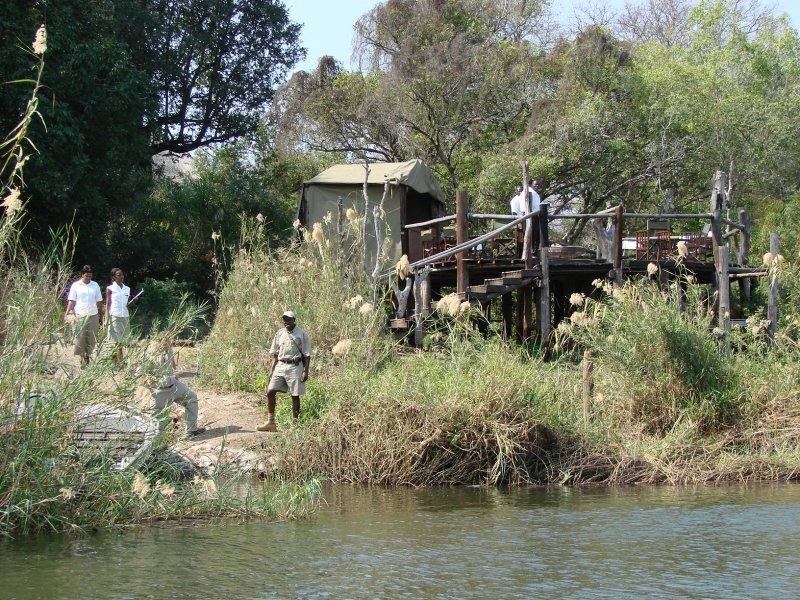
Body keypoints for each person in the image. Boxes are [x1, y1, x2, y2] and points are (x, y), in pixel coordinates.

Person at [257, 310, 312, 432]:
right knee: (270, 391)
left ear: (294, 320)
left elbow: (307, 355)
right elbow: (276, 354)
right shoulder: (280, 333)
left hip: (295, 366)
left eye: (289, 319)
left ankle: (295, 425)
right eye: (285, 319)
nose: (286, 321)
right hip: (280, 365)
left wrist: (305, 371)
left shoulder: (302, 334)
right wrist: (272, 370)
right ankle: (271, 422)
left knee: (295, 395)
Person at [150, 338, 206, 436]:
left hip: (174, 386)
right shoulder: (149, 356)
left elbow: (172, 363)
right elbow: (140, 376)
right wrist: (151, 390)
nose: (170, 344)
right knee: (160, 421)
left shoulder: (168, 349)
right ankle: (160, 441)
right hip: (159, 391)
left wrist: (175, 372)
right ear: (159, 343)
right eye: (168, 343)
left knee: (191, 397)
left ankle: (191, 429)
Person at [64, 265, 104, 365]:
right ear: (82, 275)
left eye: (90, 276)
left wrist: (100, 315)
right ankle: (82, 358)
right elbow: (72, 300)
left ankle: (88, 356)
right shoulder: (76, 285)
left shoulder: (95, 285)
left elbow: (99, 301)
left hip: (93, 314)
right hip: (80, 315)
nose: (88, 278)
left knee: (91, 337)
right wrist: (67, 312)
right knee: (80, 337)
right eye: (86, 276)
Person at [106, 268, 138, 363]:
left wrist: (134, 301)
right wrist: (107, 317)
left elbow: (127, 305)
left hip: (125, 315)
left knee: (123, 340)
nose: (121, 277)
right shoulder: (110, 289)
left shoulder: (127, 289)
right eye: (119, 275)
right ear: (113, 277)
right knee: (117, 340)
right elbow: (108, 303)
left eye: (122, 275)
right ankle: (120, 361)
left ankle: (115, 360)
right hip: (114, 315)